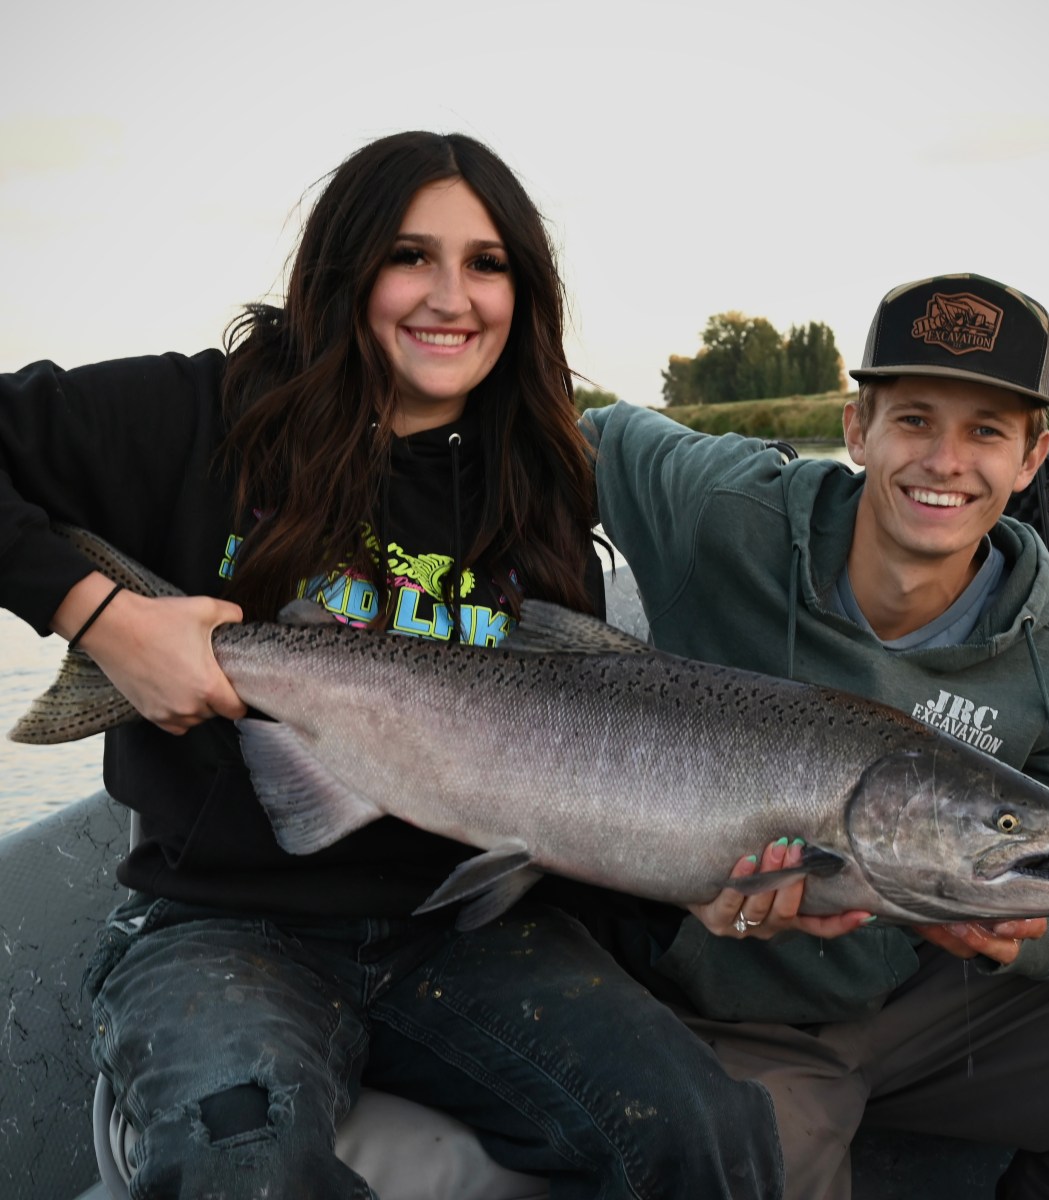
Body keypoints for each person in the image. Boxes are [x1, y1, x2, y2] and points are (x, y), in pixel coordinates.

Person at [0, 132, 783, 1200]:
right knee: (246, 1160)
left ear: (525, 293)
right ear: (346, 268)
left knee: (707, 1132)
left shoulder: (545, 488)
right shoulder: (199, 415)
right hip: (222, 925)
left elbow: (567, 806)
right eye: (411, 256)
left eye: (488, 263)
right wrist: (100, 617)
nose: (451, 297)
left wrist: (706, 888)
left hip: (471, 933)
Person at [582, 272, 1049, 1200]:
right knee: (740, 1168)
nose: (945, 460)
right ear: (855, 429)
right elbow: (582, 435)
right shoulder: (727, 509)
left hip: (947, 1002)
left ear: (1033, 457)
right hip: (736, 1019)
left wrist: (1010, 935)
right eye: (914, 419)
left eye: (987, 430)